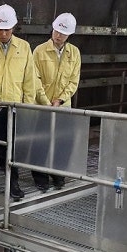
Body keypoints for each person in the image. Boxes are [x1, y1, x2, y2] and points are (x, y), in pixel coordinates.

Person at [0, 4, 48, 199]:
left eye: (7, 29)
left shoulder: (24, 47)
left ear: (14, 27)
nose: (3, 33)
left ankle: (13, 185)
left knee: (10, 150)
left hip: (13, 107)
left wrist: (26, 107)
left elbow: (29, 79)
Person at [31, 12, 81, 192]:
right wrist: (45, 101)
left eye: (63, 32)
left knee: (62, 142)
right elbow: (34, 78)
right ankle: (40, 177)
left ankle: (58, 174)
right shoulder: (39, 51)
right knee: (41, 142)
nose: (58, 35)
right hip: (42, 105)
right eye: (56, 31)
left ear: (69, 34)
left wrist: (60, 99)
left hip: (62, 106)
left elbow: (73, 81)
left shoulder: (74, 53)